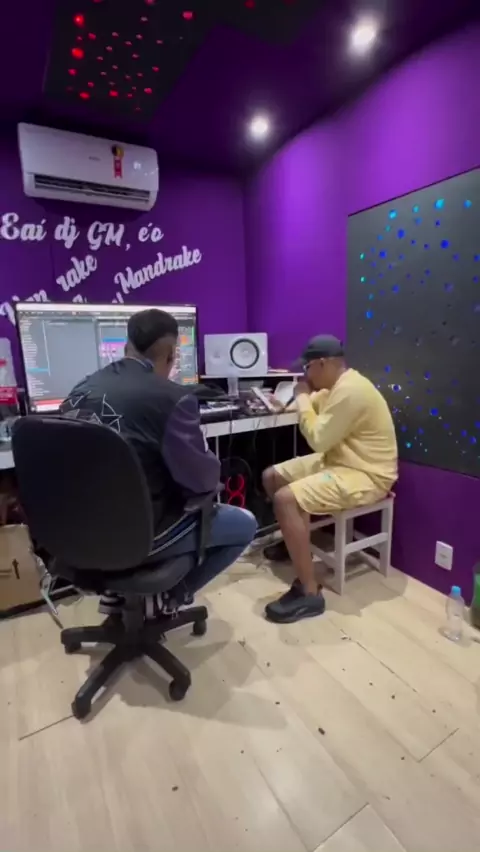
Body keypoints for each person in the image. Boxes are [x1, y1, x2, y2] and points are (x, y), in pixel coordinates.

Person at [60, 308, 257, 613]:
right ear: (171, 355)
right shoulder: (172, 398)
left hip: (81, 533)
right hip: (139, 535)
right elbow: (202, 480)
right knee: (245, 524)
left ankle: (118, 592)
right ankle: (170, 598)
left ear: (126, 347)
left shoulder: (79, 390)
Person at [262, 335, 398, 624]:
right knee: (272, 476)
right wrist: (286, 402)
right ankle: (293, 545)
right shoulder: (334, 387)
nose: (306, 375)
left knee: (285, 499)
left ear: (322, 364)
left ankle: (309, 592)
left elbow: (319, 439)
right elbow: (313, 406)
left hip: (366, 474)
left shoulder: (351, 390)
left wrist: (300, 397)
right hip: (340, 461)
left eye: (308, 368)